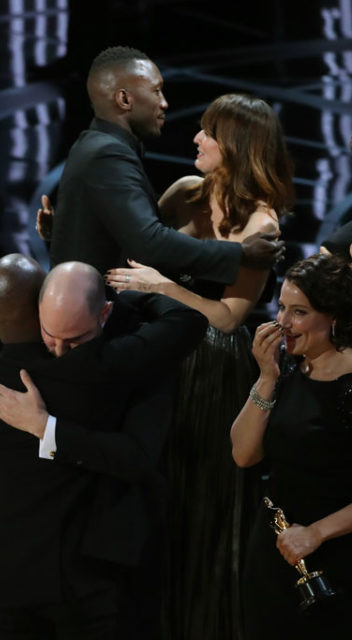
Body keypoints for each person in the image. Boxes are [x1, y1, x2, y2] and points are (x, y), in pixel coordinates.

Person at [105, 93, 294, 640]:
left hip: (212, 369)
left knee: (202, 498)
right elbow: (131, 239)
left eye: (209, 131)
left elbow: (230, 317)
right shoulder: (186, 192)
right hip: (158, 350)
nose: (196, 138)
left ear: (236, 144)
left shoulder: (261, 223)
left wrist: (163, 287)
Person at [0, 260, 208, 639]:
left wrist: (44, 428)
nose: (62, 351)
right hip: (84, 586)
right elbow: (185, 320)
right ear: (36, 310)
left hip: (23, 583)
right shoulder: (117, 370)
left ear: (105, 314)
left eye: (76, 340)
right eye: (51, 336)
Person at [48, 46, 283, 282]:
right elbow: (149, 242)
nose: (164, 103)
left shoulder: (98, 146)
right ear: (125, 99)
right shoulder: (109, 154)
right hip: (96, 299)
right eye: (156, 91)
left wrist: (65, 229)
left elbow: (125, 230)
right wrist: (240, 253)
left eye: (210, 132)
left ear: (240, 146)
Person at [230, 253, 352, 637]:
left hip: (335, 556)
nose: (283, 322)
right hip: (273, 550)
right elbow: (243, 454)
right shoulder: (286, 368)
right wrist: (267, 377)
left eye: (299, 312)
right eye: (281, 308)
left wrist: (315, 534)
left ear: (334, 317)